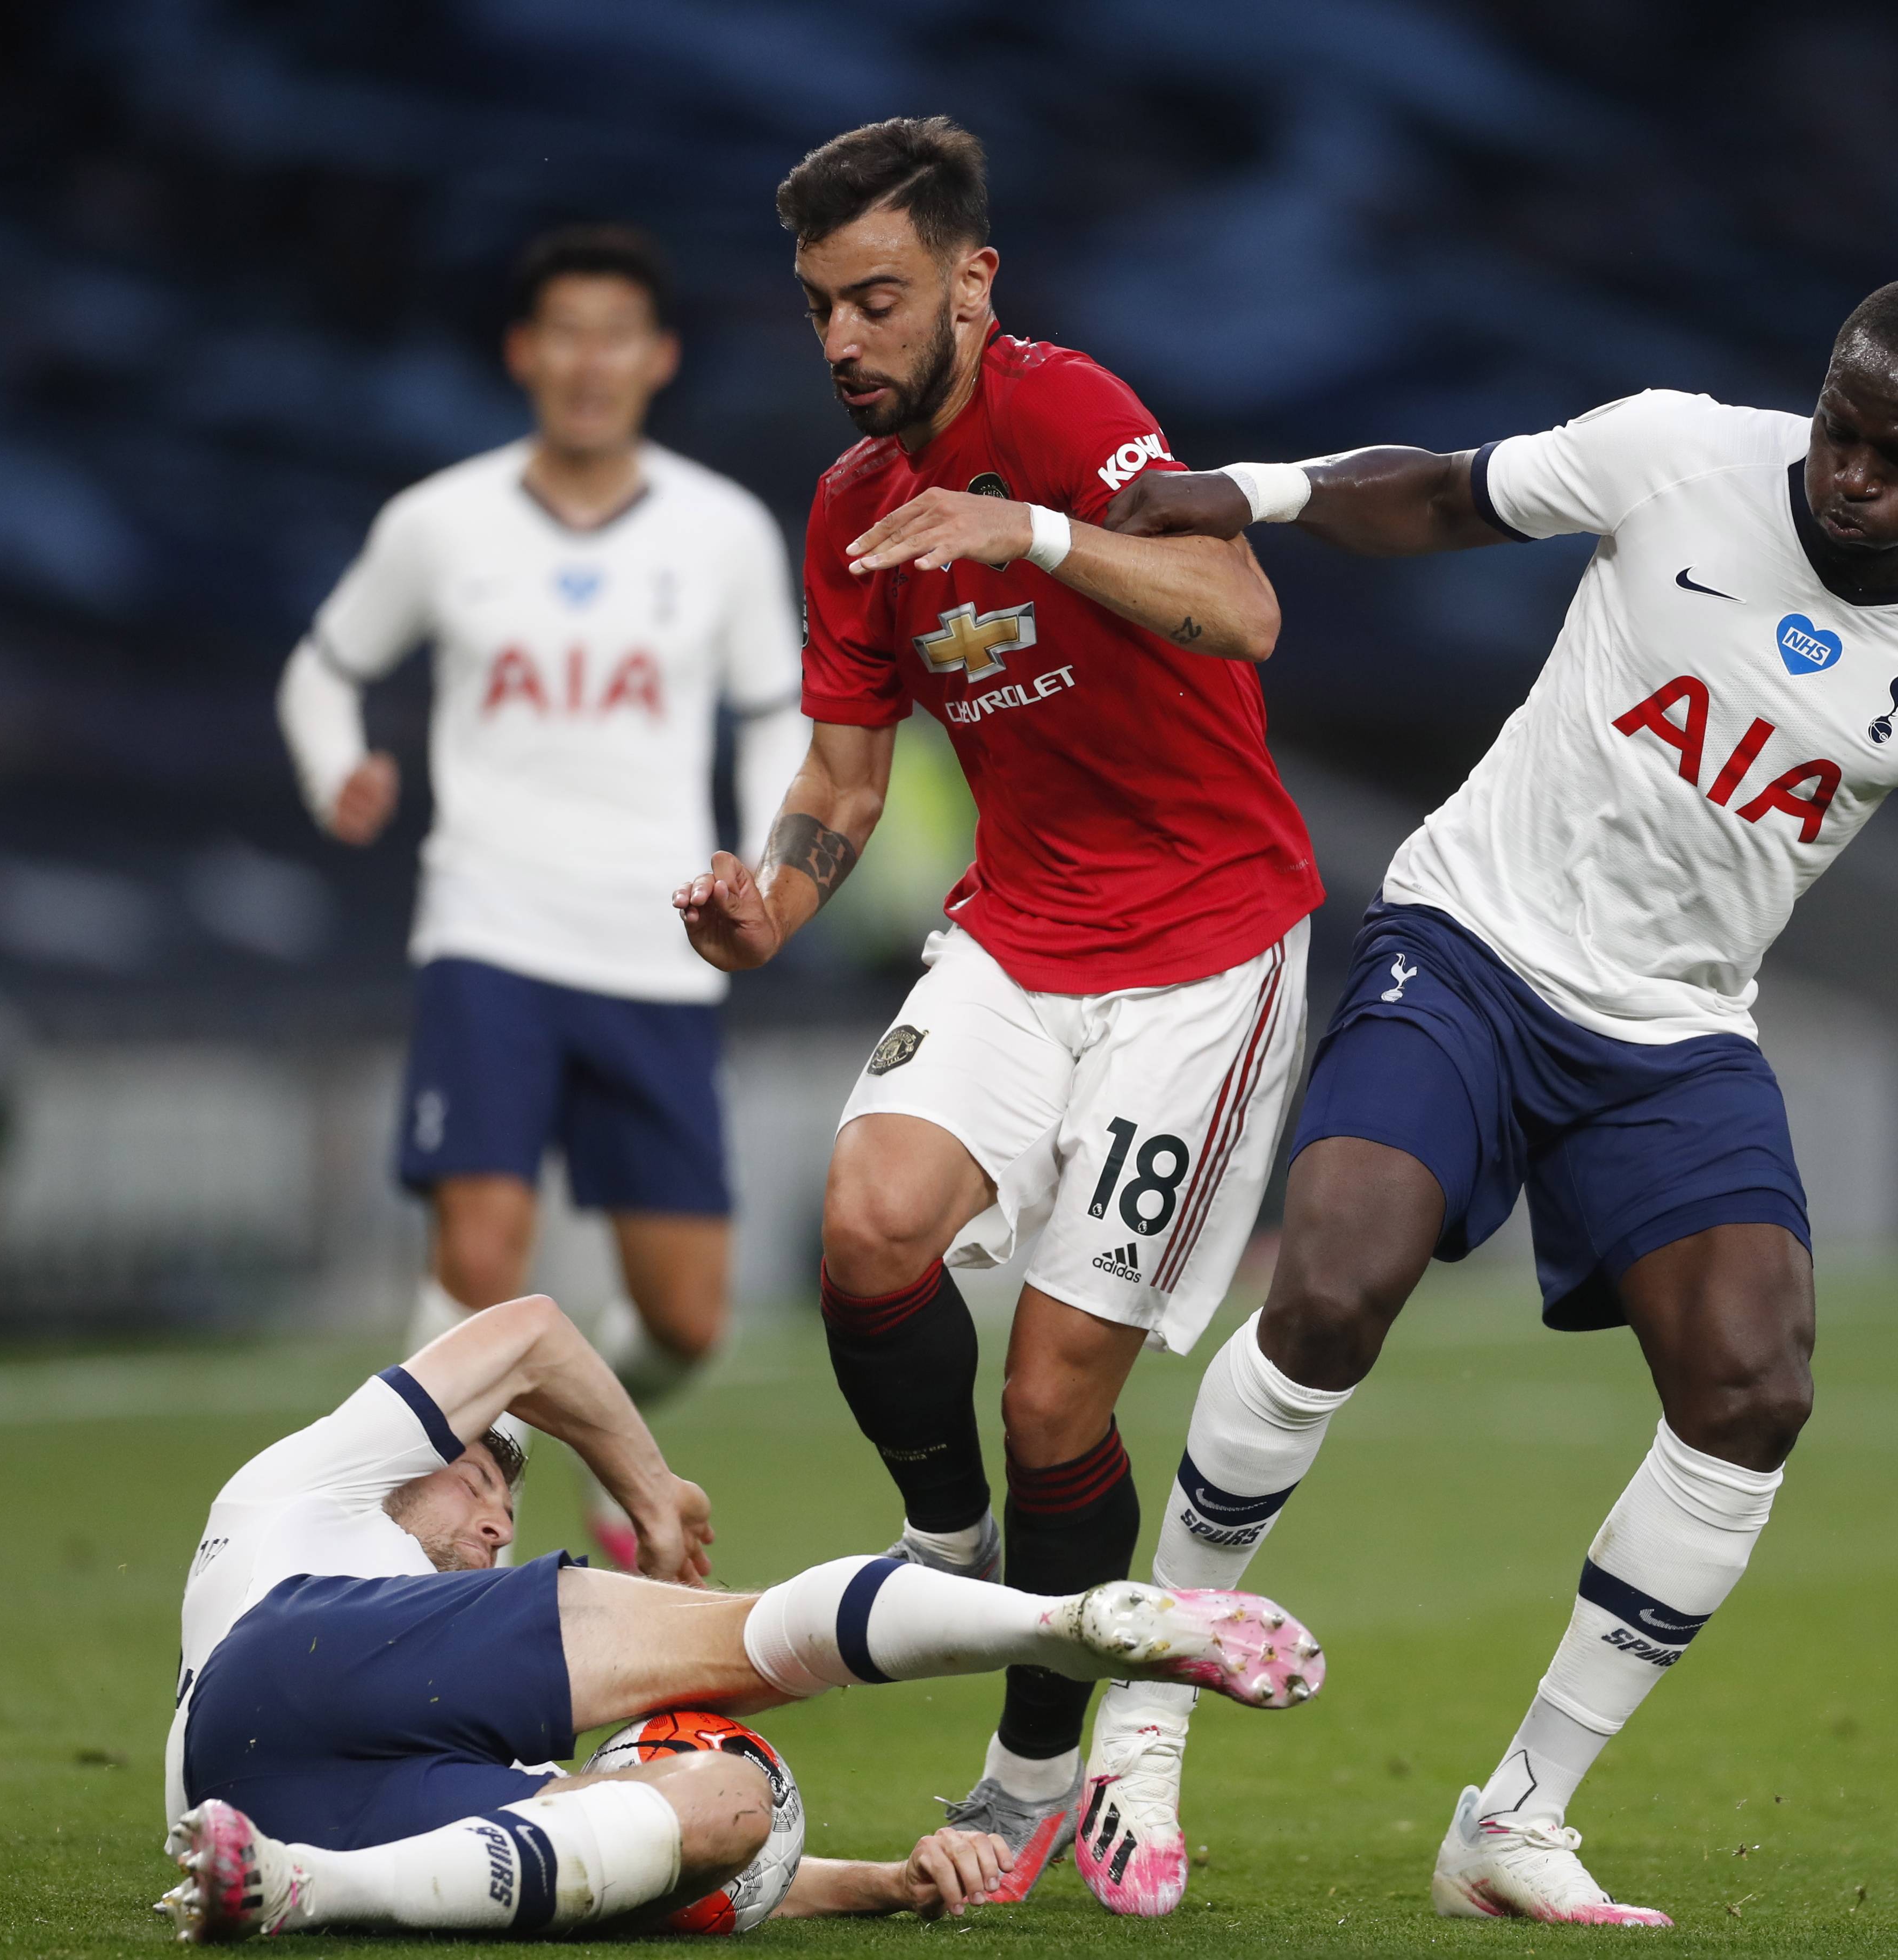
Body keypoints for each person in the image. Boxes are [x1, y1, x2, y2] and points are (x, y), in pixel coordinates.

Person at [1100, 276, 1898, 1925]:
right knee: (1329, 1291)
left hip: (1674, 1033)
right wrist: (1253, 491)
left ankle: (1514, 1821)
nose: (1849, 473)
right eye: (1840, 429)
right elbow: (1439, 493)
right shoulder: (1672, 453)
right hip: (1471, 944)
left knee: (1755, 1387)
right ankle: (1142, 1713)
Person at [669, 118, 1323, 1916]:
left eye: (874, 299)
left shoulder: (1064, 413)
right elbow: (843, 778)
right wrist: (766, 903)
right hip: (1022, 934)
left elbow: (1239, 606)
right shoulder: (846, 509)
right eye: (816, 307)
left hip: (1202, 953)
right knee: (870, 1220)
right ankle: (943, 1536)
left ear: (971, 280)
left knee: (1057, 1395)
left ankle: (1036, 1756)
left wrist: (1034, 528)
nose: (840, 342)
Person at [154, 1292, 1323, 1942]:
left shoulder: (441, 1647)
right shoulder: (298, 1491)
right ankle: (1061, 1621)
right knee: (742, 1637)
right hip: (284, 1662)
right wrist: (649, 1491)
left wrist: (887, 1883)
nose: (500, 1521)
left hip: (287, 1818)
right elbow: (529, 1334)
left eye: (514, 1499)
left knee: (724, 1810)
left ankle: (298, 1889)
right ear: (405, 1460)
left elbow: (629, 1862)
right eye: (477, 1478)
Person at [275, 224, 809, 1567]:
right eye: (562, 332)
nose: (588, 361)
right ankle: (410, 1563)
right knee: (479, 1255)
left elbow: (773, 719)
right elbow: (320, 673)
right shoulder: (440, 522)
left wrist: (754, 863)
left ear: (658, 357)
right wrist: (338, 769)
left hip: (655, 948)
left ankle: (599, 1439)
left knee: (688, 1316)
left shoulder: (721, 532)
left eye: (614, 334)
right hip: (489, 933)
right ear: (524, 353)